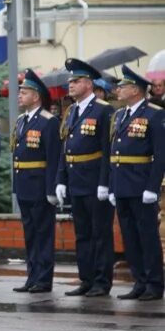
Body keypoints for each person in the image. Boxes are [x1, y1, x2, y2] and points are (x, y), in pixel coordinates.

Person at [55, 58, 115, 297]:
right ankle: (86, 279)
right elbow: (65, 147)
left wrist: (104, 183)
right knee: (82, 234)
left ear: (89, 84)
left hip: (94, 180)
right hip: (76, 180)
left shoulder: (103, 110)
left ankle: (102, 281)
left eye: (76, 81)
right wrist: (61, 178)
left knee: (100, 233)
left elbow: (107, 150)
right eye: (70, 81)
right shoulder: (71, 111)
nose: (71, 85)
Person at [109, 65, 164, 301]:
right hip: (122, 185)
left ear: (136, 90)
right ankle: (139, 281)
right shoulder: (120, 115)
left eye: (123, 86)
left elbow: (161, 154)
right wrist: (112, 186)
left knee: (147, 236)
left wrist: (152, 188)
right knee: (130, 237)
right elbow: (115, 154)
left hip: (142, 186)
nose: (118, 90)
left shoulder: (154, 114)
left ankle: (154, 283)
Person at [11, 69, 61, 293]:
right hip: (24, 185)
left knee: (43, 233)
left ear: (37, 96)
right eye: (20, 91)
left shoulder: (48, 122)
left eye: (25, 92)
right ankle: (32, 276)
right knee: (30, 234)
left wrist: (51, 188)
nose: (20, 95)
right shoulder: (22, 121)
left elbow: (53, 157)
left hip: (40, 186)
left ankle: (43, 278)